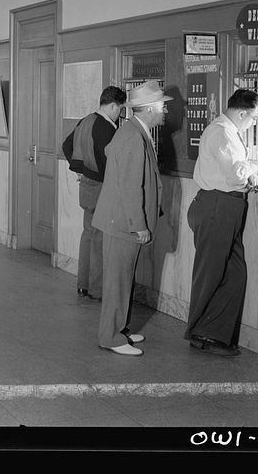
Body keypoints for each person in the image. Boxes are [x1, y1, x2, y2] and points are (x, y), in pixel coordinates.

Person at [183, 88, 258, 357]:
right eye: (254, 118)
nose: (254, 123)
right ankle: (199, 332)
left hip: (223, 206)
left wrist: (249, 171)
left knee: (234, 273)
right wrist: (257, 168)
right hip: (217, 206)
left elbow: (234, 170)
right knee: (211, 273)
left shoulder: (226, 132)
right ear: (242, 112)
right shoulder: (223, 132)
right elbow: (235, 175)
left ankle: (215, 333)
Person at [92, 81, 169, 356]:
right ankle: (110, 337)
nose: (166, 110)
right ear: (149, 109)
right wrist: (139, 224)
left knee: (123, 279)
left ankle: (120, 329)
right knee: (117, 282)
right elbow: (129, 186)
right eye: (162, 105)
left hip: (120, 221)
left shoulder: (135, 131)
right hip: (123, 223)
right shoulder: (132, 136)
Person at [62, 85, 127, 301]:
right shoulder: (107, 129)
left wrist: (80, 170)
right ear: (111, 106)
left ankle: (83, 284)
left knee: (88, 234)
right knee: (100, 239)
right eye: (120, 109)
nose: (120, 114)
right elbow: (110, 161)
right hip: (101, 187)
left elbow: (66, 145)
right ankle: (97, 290)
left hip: (87, 186)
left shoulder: (86, 120)